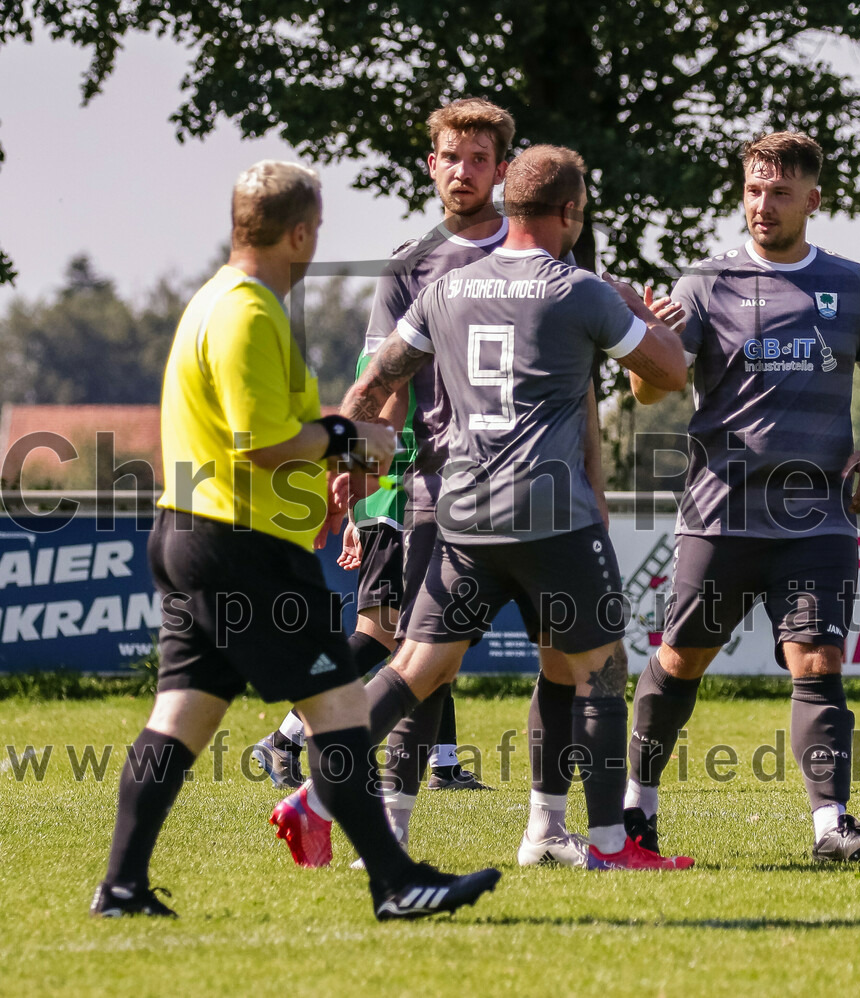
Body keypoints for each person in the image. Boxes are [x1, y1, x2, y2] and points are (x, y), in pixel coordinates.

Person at [89, 160, 500, 920]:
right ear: (301, 232)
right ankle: (397, 883)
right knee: (340, 710)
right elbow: (258, 439)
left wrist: (333, 464)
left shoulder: (214, 299)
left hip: (193, 532)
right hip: (243, 545)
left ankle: (121, 886)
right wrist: (356, 436)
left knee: (182, 714)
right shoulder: (249, 312)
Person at [269, 99, 614, 870]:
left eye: (480, 158)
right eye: (450, 157)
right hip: (439, 493)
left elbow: (579, 386)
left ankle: (546, 829)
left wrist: (594, 486)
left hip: (549, 498)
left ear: (503, 169)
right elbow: (381, 383)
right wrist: (363, 486)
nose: (463, 171)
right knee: (421, 666)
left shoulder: (546, 250)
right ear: (432, 165)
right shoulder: (410, 264)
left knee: (557, 662)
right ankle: (387, 827)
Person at [337, 144, 694, 870]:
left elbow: (372, 386)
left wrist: (347, 473)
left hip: (461, 514)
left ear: (510, 204)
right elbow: (670, 372)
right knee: (597, 668)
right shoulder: (580, 290)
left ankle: (318, 792)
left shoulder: (448, 289)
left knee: (414, 669)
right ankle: (606, 844)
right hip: (551, 514)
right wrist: (637, 312)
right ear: (571, 211)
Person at [624, 131, 860, 862]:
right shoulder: (703, 285)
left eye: (779, 192)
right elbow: (655, 389)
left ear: (812, 199)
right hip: (720, 511)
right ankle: (636, 807)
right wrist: (647, 344)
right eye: (753, 189)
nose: (762, 204)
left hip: (818, 515)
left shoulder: (851, 285)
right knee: (681, 661)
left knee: (817, 660)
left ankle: (831, 826)